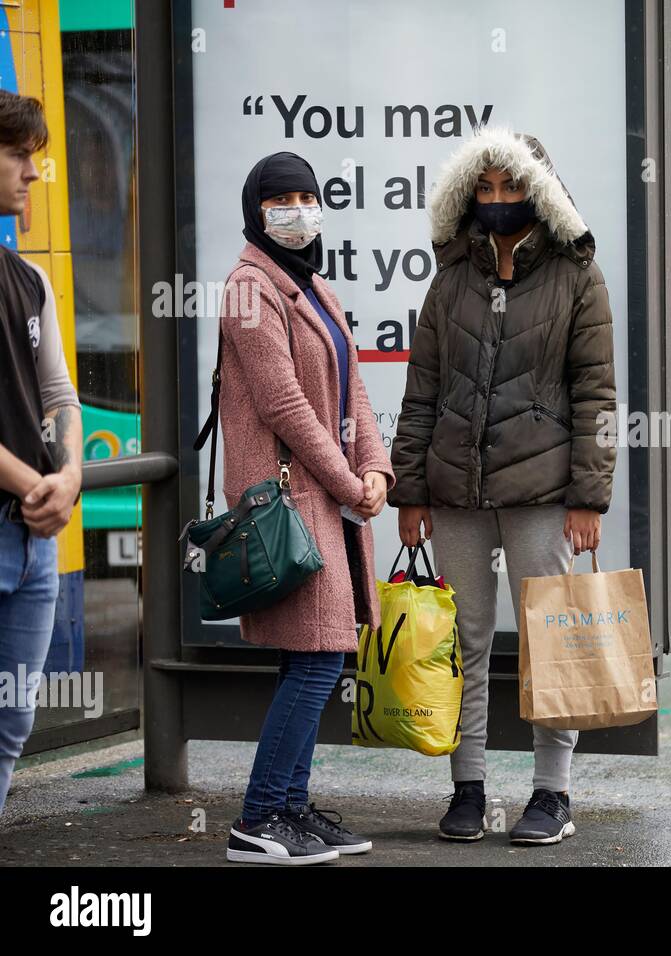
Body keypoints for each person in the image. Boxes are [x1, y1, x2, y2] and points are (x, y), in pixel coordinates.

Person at [389, 127, 616, 846]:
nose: (496, 201)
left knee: (554, 637)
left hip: (543, 489)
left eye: (510, 186)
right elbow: (421, 390)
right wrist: (410, 491)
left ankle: (553, 793)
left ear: (539, 190)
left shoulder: (578, 275)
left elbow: (597, 396)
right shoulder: (452, 273)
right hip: (455, 488)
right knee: (464, 641)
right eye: (483, 188)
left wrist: (589, 496)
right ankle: (468, 787)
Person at [219, 152, 394, 864]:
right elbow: (282, 403)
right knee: (319, 659)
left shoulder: (313, 283)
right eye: (280, 199)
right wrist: (352, 486)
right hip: (290, 501)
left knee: (312, 658)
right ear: (256, 210)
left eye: (305, 196)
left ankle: (290, 808)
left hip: (327, 496)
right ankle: (260, 817)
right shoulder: (246, 287)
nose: (296, 210)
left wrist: (376, 465)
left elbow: (352, 385)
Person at [0, 91, 81, 817]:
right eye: (19, 155)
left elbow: (59, 392)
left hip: (32, 539)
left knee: (11, 723)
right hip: (23, 514)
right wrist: (39, 485)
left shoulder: (28, 279)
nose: (33, 172)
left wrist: (74, 475)